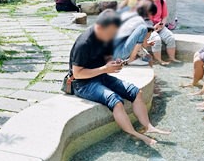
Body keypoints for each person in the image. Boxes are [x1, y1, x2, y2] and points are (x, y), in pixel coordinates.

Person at [68, 9, 169, 147]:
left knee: (135, 92)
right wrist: (104, 69)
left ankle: (147, 126)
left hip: (100, 75)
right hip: (82, 84)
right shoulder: (84, 43)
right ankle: (134, 133)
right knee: (116, 101)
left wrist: (114, 64)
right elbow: (78, 73)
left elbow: (106, 58)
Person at [114, 0, 158, 64]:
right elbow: (143, 45)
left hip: (112, 50)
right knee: (149, 58)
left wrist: (146, 43)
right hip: (122, 54)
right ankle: (129, 61)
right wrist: (131, 59)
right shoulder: (144, 25)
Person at [145, 0, 177, 64]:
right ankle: (159, 60)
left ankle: (172, 58)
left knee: (170, 37)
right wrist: (154, 28)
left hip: (160, 26)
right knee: (157, 39)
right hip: (149, 28)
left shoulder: (162, 1)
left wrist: (161, 25)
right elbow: (143, 21)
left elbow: (165, 16)